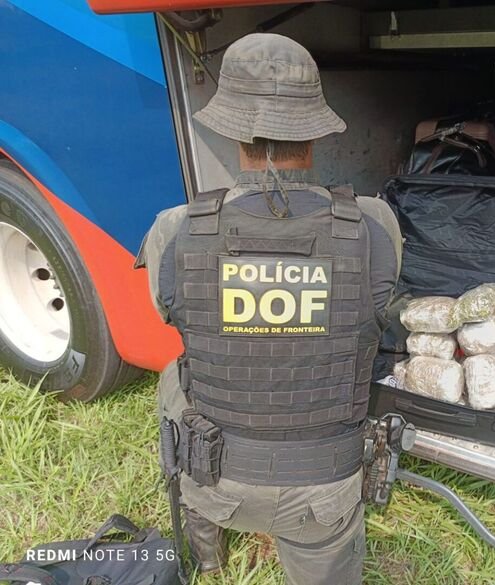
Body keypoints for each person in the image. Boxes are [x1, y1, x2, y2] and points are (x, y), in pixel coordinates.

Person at [135, 33, 402, 585]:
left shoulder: (175, 228)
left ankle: (207, 550)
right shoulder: (377, 225)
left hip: (216, 479)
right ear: (317, 130)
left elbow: (174, 317)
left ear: (231, 129)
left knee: (173, 378)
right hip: (322, 492)